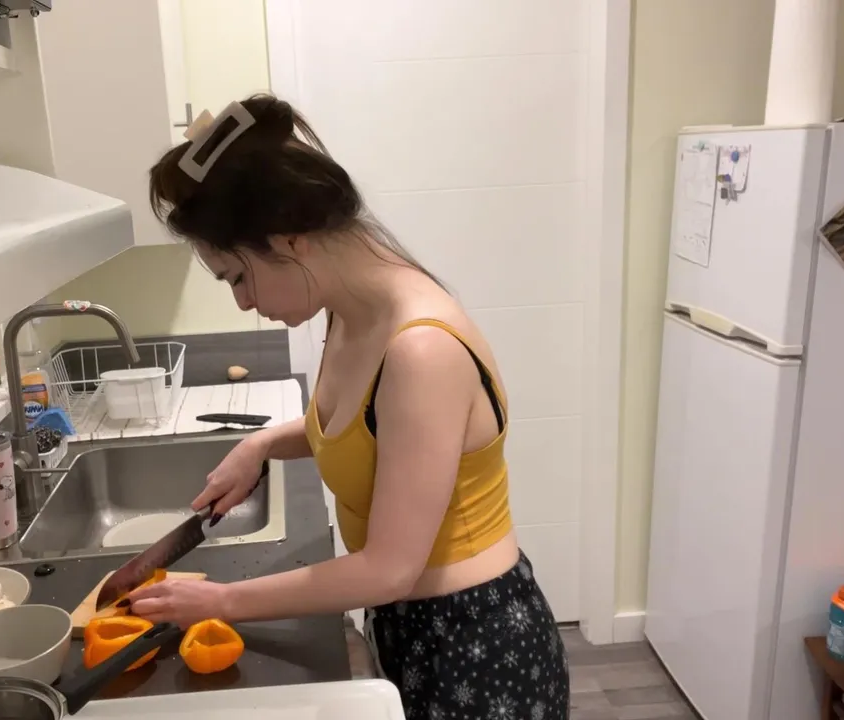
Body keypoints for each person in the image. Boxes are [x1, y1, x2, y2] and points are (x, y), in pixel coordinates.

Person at [125, 94, 569, 719]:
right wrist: (262, 444)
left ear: (289, 239)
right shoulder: (350, 310)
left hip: (475, 647)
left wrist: (220, 601)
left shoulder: (420, 350)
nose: (243, 302)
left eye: (237, 277)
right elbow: (369, 429)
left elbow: (389, 569)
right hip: (412, 628)